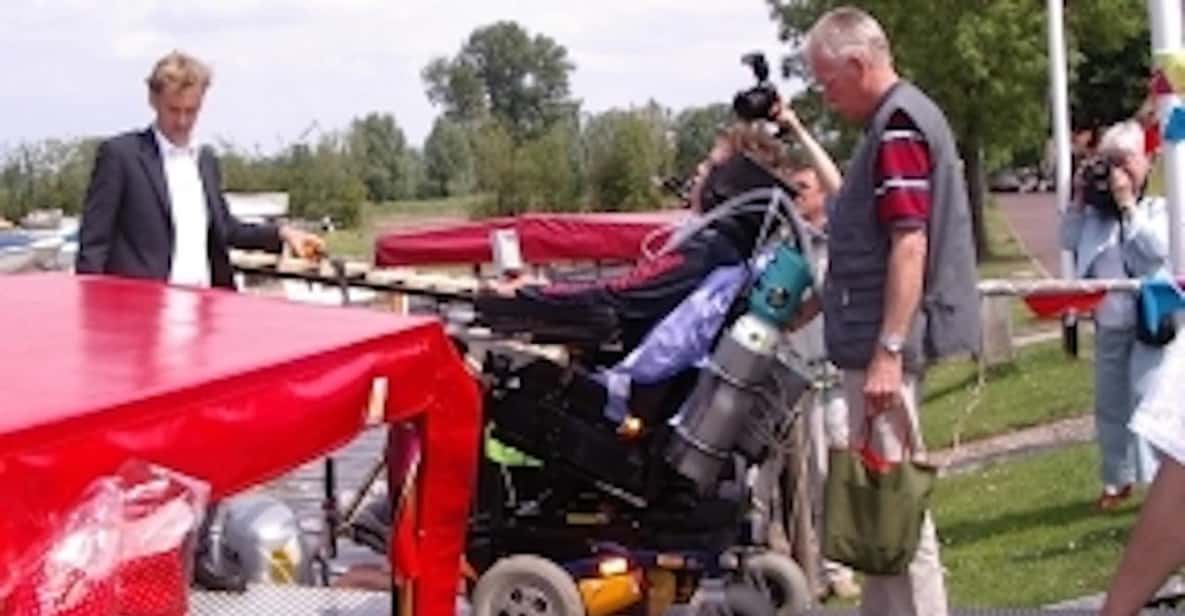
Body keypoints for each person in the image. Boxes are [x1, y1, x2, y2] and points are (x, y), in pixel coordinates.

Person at [794, 7, 981, 616]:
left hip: (882, 350)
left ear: (857, 63)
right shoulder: (893, 123)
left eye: (829, 81)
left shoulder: (897, 127)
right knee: (881, 512)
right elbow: (875, 248)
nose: (827, 95)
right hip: (872, 339)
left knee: (897, 509)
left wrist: (888, 352)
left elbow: (909, 243)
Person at [76, 50, 323, 289]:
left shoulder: (205, 160)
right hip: (139, 311)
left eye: (191, 111)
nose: (182, 121)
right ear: (153, 100)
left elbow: (225, 228)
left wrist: (283, 234)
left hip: (204, 308)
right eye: (173, 110)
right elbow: (93, 247)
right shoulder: (120, 156)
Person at [1061, 119, 1170, 510]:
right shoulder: (1094, 217)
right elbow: (1068, 240)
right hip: (1108, 321)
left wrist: (1127, 206)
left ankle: (1159, 484)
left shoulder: (1159, 208)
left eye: (1124, 162)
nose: (1116, 172)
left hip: (1150, 323)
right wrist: (1078, 198)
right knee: (1110, 404)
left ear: (1146, 163)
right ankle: (1116, 479)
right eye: (1109, 162)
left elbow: (1153, 252)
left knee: (1149, 402)